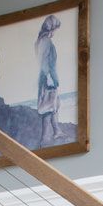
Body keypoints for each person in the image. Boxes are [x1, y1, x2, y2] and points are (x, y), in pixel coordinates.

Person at [35, 14, 62, 146]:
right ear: (52, 28)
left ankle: (56, 131)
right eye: (56, 28)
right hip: (48, 77)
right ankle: (46, 137)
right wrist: (50, 79)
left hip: (48, 76)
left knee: (54, 105)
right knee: (49, 107)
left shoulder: (41, 40)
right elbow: (44, 62)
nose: (56, 32)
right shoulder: (45, 41)